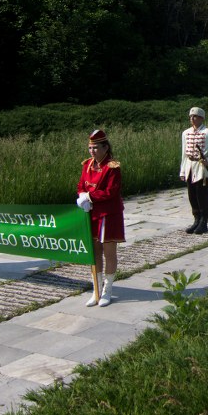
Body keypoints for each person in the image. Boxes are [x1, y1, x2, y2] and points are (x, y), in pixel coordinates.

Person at [76, 129, 125, 307]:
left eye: (96, 147)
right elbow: (81, 185)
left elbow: (111, 191)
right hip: (92, 213)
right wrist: (82, 196)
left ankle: (107, 290)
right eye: (90, 147)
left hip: (109, 214)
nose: (92, 151)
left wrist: (89, 197)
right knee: (94, 252)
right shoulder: (87, 165)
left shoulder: (112, 167)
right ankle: (96, 290)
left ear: (105, 147)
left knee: (109, 252)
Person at [179, 108, 208, 234]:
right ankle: (196, 219)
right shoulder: (186, 133)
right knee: (192, 195)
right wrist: (182, 171)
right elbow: (184, 153)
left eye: (195, 116)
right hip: (189, 166)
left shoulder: (207, 132)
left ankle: (204, 221)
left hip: (201, 168)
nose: (192, 119)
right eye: (191, 116)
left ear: (201, 118)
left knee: (202, 195)